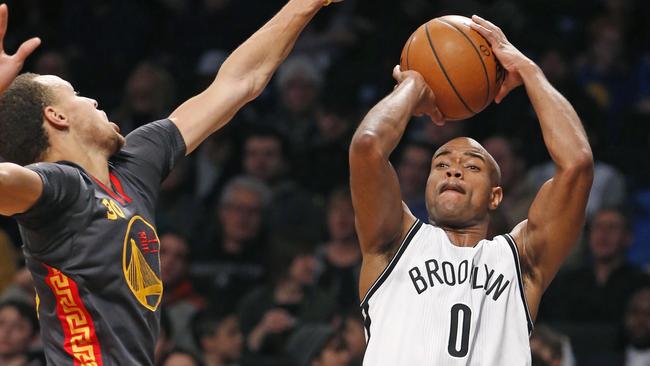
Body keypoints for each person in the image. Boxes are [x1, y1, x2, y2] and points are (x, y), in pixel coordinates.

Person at [0, 1, 342, 364]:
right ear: (56, 116)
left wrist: (306, 4)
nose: (94, 99)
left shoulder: (134, 163)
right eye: (76, 94)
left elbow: (239, 82)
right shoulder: (59, 187)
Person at [349, 15, 594, 365]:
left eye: (472, 165)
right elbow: (367, 147)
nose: (454, 169)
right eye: (442, 163)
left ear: (496, 195)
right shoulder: (394, 244)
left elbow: (578, 165)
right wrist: (412, 86)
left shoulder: (520, 261)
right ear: (427, 184)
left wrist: (528, 71)